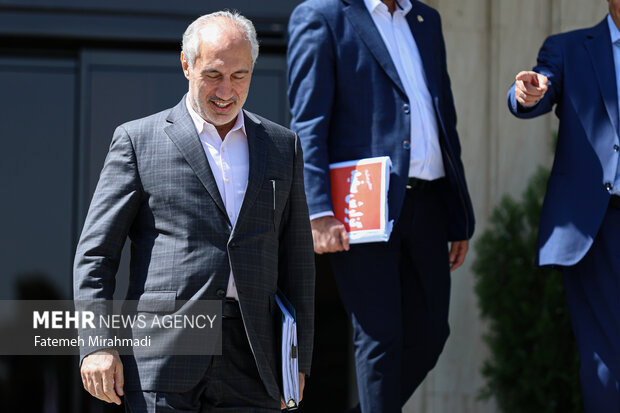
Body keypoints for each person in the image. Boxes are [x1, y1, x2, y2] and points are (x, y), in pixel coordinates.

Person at [73, 11, 315, 413]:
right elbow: (96, 254)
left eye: (240, 76)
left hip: (255, 357)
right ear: (186, 65)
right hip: (163, 354)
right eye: (213, 75)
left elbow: (299, 263)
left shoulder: (281, 146)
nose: (226, 90)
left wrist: (298, 359)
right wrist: (97, 343)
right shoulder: (137, 141)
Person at [287, 0, 475, 412]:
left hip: (430, 202)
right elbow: (308, 123)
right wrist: (318, 211)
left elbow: (443, 118)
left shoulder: (426, 19)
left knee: (430, 335)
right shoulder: (322, 16)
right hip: (363, 205)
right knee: (380, 338)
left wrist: (457, 213)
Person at [507, 1, 620, 411]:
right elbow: (538, 87)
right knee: (605, 367)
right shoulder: (569, 48)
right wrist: (527, 92)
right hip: (596, 227)